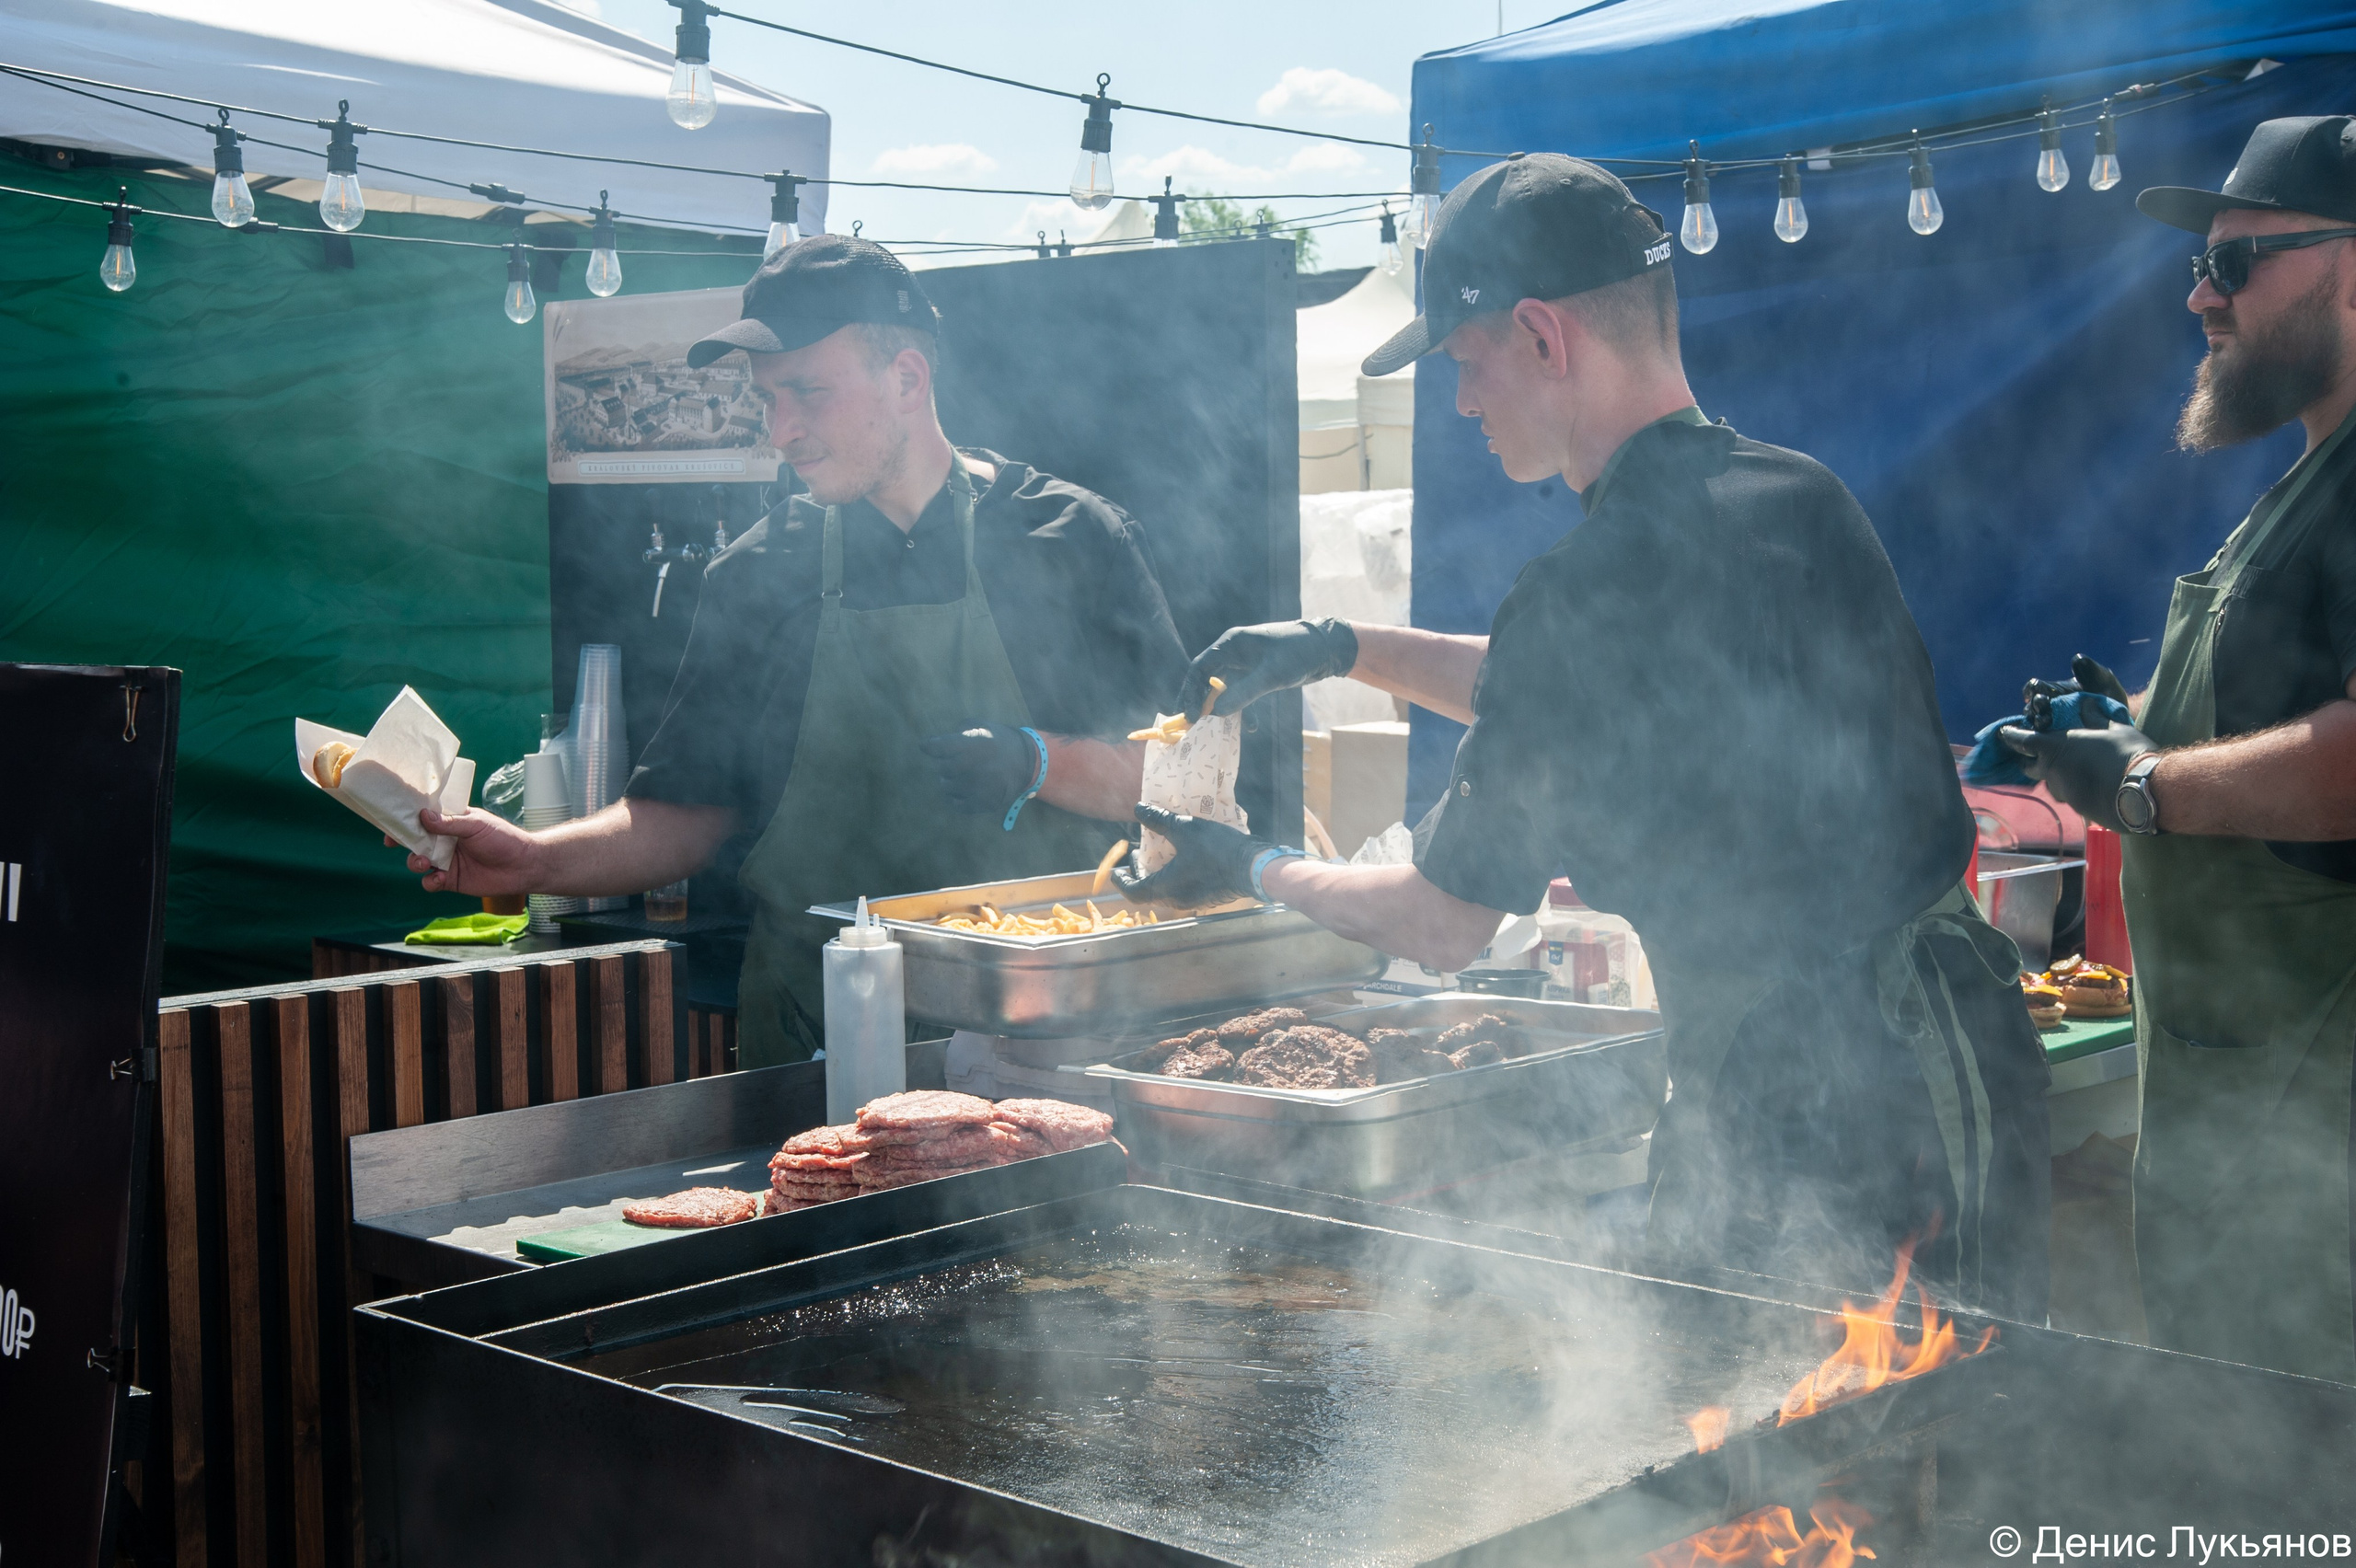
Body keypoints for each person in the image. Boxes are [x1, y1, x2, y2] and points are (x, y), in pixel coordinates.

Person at [1123, 155, 2051, 1317]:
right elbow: (1582, 700)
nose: (1461, 402)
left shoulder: (1588, 584)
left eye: (1465, 361)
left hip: (1808, 1113)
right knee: (1950, 1449)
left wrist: (1249, 864)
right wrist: (1339, 644)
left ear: (1542, 338)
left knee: (1786, 1452)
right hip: (1950, 1060)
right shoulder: (1795, 497)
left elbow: (1439, 923)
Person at [397, 236, 1186, 1065]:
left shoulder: (1069, 538)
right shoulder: (759, 571)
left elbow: (1182, 788)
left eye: (809, 391)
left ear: (908, 379)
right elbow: (685, 812)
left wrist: (1039, 761)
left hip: (1042, 1026)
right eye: (768, 399)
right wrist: (532, 859)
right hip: (822, 1032)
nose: (783, 431)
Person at [1999, 117, 2356, 1382]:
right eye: (2198, 265)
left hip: (2321, 1170)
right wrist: (2122, 733)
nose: (2201, 294)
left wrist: (2144, 787)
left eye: (2236, 261)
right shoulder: (2309, 477)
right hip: (2240, 1142)